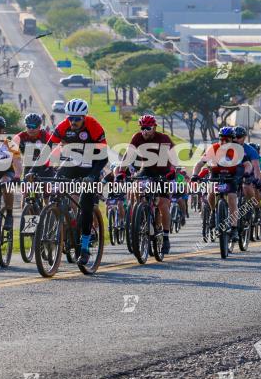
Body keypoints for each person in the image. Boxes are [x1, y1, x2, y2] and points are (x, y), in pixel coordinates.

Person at [48, 98, 108, 265]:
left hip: (92, 165)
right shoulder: (63, 126)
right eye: (70, 118)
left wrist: (93, 175)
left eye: (77, 119)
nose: (73, 122)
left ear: (84, 117)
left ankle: (85, 247)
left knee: (86, 205)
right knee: (55, 186)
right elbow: (48, 146)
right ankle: (59, 223)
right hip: (71, 162)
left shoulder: (94, 126)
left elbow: (103, 157)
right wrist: (32, 170)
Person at [119, 114, 176, 254]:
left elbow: (174, 157)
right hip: (146, 169)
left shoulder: (164, 138)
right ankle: (139, 213)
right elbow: (128, 155)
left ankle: (166, 237)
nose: (145, 131)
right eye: (143, 128)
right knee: (135, 187)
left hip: (163, 171)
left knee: (162, 204)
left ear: (155, 127)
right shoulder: (137, 137)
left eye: (148, 128)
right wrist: (121, 171)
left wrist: (173, 171)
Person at [192, 126, 244, 234]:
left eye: (227, 139)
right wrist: (194, 175)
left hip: (231, 175)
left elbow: (247, 164)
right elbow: (200, 163)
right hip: (216, 173)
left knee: (232, 198)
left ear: (232, 139)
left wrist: (246, 173)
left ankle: (234, 228)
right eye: (222, 139)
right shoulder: (213, 148)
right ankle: (213, 212)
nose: (224, 142)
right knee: (211, 193)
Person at [233, 126, 260, 213]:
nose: (236, 139)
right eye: (234, 137)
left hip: (247, 174)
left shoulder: (251, 150)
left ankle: (254, 208)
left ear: (244, 137)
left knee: (247, 187)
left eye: (239, 137)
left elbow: (256, 167)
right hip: (233, 174)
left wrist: (257, 179)